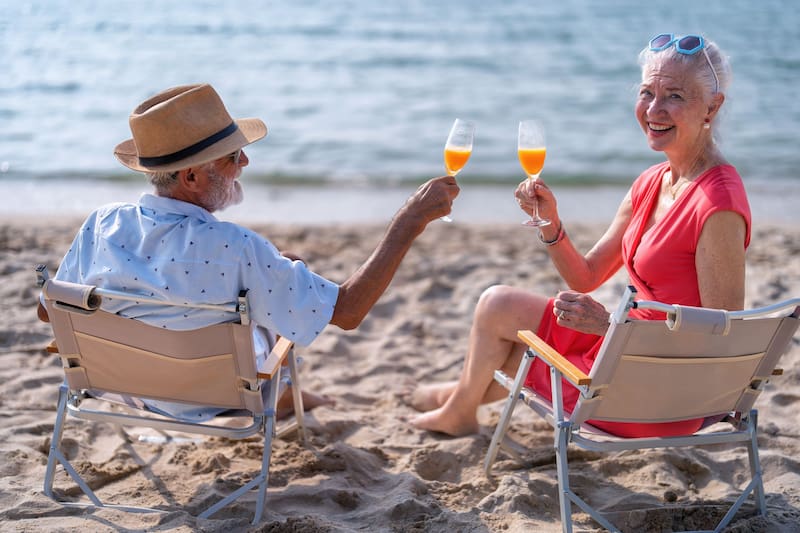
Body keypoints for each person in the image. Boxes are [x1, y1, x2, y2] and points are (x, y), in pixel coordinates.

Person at [38, 83, 459, 422]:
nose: (246, 163)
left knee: (278, 269)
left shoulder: (103, 223)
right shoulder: (237, 249)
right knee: (277, 280)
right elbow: (348, 312)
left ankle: (293, 392)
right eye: (232, 156)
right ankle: (287, 395)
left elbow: (48, 310)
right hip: (213, 398)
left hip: (119, 386)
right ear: (190, 176)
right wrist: (409, 221)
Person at [409, 33, 750, 438]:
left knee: (510, 344)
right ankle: (456, 402)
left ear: (712, 106)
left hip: (656, 391)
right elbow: (586, 277)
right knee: (498, 306)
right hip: (624, 351)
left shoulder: (719, 202)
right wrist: (550, 222)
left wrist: (611, 328)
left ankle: (455, 402)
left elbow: (721, 340)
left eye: (674, 95)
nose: (654, 109)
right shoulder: (652, 182)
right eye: (646, 92)